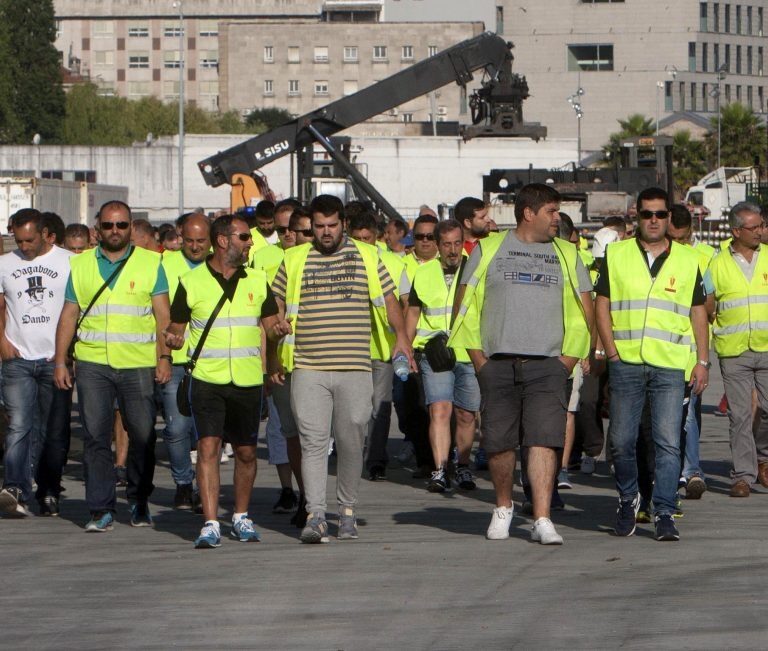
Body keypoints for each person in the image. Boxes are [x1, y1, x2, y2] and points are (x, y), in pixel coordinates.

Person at [450, 183, 593, 545]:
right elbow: (464, 305)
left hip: (549, 365)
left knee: (544, 440)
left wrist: (567, 361)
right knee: (499, 443)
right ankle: (503, 507)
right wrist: (479, 360)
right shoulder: (488, 249)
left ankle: (542, 517)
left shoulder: (567, 253)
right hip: (497, 363)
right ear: (528, 213)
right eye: (551, 211)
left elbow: (584, 308)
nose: (557, 218)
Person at [269, 195, 414, 544]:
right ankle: (316, 515)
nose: (326, 232)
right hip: (308, 366)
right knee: (313, 441)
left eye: (332, 225)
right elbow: (275, 305)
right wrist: (275, 329)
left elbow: (390, 300)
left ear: (343, 224)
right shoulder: (294, 259)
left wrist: (401, 338)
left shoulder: (368, 255)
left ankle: (347, 510)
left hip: (355, 366)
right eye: (319, 226)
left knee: (351, 441)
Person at [165, 214, 291, 548]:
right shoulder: (190, 282)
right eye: (245, 237)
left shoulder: (258, 280)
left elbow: (270, 327)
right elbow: (176, 328)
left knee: (247, 453)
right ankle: (210, 522)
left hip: (247, 381)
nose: (251, 243)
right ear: (223, 241)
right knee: (208, 448)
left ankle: (240, 516)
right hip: (207, 379)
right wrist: (173, 339)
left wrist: (278, 331)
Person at [595, 187, 709, 541]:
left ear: (669, 218)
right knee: (621, 441)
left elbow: (698, 312)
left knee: (668, 442)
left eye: (660, 214)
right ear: (637, 217)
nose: (654, 220)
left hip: (670, 365)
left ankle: (664, 510)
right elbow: (601, 305)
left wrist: (702, 361)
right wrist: (611, 353)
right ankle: (628, 499)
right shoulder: (616, 254)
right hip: (626, 363)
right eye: (647, 214)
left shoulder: (688, 259)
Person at [53, 200, 172, 533]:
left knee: (143, 436)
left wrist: (164, 358)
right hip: (93, 364)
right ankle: (100, 508)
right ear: (97, 229)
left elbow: (163, 316)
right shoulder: (81, 264)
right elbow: (69, 316)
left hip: (138, 364)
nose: (115, 231)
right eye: (108, 225)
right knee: (95, 437)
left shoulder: (151, 262)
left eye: (121, 225)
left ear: (131, 227)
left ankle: (138, 498)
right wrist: (61, 361)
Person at [0, 209, 73, 518]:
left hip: (55, 360)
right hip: (18, 359)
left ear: (45, 234)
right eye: (19, 240)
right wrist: (2, 341)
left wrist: (66, 352)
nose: (24, 246)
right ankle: (15, 488)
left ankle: (48, 490)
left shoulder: (70, 262)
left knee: (52, 431)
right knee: (18, 425)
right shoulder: (5, 263)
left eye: (30, 240)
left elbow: (76, 309)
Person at [407, 219, 479, 492]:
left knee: (466, 414)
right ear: (437, 245)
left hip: (468, 351)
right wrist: (407, 349)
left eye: (457, 243)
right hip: (434, 352)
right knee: (439, 409)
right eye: (447, 244)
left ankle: (462, 466)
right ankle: (439, 470)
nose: (453, 250)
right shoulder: (424, 273)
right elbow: (413, 312)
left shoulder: (475, 270)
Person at [707, 202, 768, 498]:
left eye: (761, 225)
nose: (759, 231)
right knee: (740, 415)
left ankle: (763, 457)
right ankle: (743, 475)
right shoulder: (717, 263)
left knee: (767, 409)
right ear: (736, 231)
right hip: (734, 351)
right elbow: (708, 305)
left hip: (767, 346)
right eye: (753, 227)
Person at [347, 211, 409, 482]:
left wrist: (402, 338)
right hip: (349, 348)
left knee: (380, 407)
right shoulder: (341, 264)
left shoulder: (393, 263)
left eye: (367, 238)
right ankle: (352, 454)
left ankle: (375, 460)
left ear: (377, 237)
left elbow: (406, 303)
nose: (363, 244)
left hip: (382, 348)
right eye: (357, 239)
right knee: (352, 409)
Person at [251, 203, 302, 515]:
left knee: (309, 430)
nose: (287, 235)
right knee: (279, 427)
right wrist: (265, 362)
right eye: (281, 230)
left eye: (292, 229)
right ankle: (287, 489)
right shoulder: (263, 257)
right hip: (278, 356)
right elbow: (261, 315)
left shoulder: (314, 258)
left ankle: (310, 492)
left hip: (310, 357)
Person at [159, 214, 211, 509]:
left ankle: (205, 488)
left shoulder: (220, 266)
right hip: (176, 359)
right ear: (180, 237)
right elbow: (157, 315)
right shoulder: (165, 265)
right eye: (188, 240)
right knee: (177, 427)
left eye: (201, 241)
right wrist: (162, 358)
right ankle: (183, 483)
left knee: (207, 430)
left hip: (211, 361)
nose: (194, 246)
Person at [667, 204, 716, 499]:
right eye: (674, 238)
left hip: (688, 352)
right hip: (656, 353)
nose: (679, 244)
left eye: (683, 238)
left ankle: (692, 470)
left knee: (689, 415)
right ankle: (671, 471)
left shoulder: (700, 258)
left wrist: (703, 360)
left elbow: (708, 306)